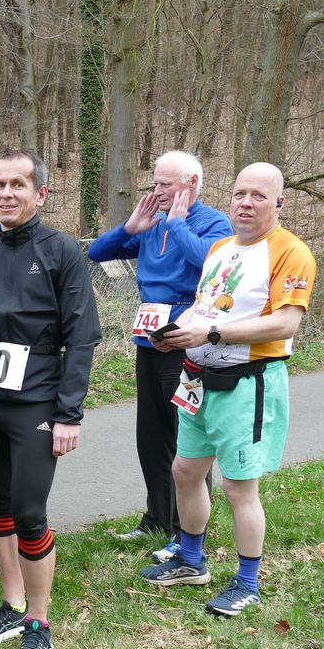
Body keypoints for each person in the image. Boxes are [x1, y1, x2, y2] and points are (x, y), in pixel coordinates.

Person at [0, 149, 101, 649]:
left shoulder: (61, 250)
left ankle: (39, 622)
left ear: (41, 193)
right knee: (0, 508)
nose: (7, 193)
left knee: (31, 514)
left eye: (18, 184)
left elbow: (82, 337)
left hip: (36, 401)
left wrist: (69, 413)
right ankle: (12, 606)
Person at [142, 163, 316, 616]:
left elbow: (285, 322)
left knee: (240, 488)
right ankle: (191, 560)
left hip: (247, 382)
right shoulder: (220, 247)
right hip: (196, 379)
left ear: (279, 202)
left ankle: (247, 582)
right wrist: (173, 330)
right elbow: (203, 308)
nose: (246, 203)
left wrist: (213, 334)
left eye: (259, 195)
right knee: (185, 470)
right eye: (240, 194)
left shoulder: (290, 251)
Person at [88, 151, 231, 563]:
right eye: (155, 183)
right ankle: (156, 517)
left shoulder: (213, 223)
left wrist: (177, 224)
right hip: (149, 340)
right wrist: (130, 228)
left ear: (192, 183)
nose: (157, 191)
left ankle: (187, 531)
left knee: (186, 439)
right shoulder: (152, 221)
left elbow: (210, 263)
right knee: (150, 436)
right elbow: (97, 253)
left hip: (187, 342)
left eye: (166, 184)